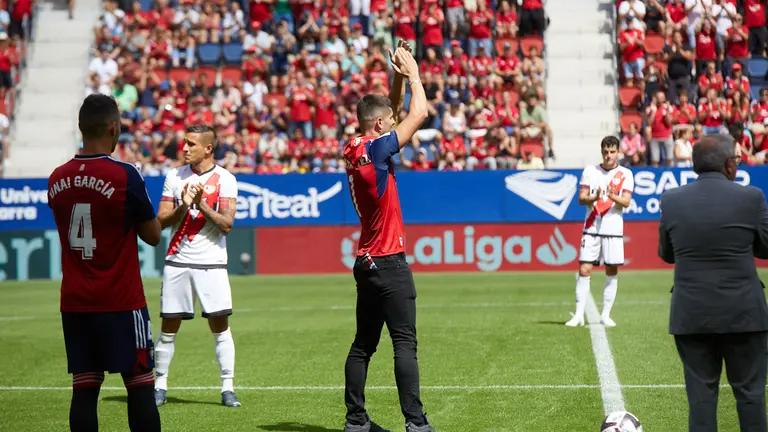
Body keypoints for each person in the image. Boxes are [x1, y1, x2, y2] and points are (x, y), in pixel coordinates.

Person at [47, 94, 162, 432]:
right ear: (113, 128)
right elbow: (152, 236)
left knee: (84, 389)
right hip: (122, 301)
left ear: (81, 127)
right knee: (140, 385)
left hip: (76, 303)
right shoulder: (125, 175)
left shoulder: (57, 178)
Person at [342, 43, 435, 432]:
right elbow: (419, 113)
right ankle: (416, 423)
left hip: (365, 261)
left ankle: (356, 421)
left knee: (363, 345)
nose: (394, 122)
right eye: (389, 122)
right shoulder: (380, 150)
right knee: (404, 344)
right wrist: (413, 75)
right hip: (390, 261)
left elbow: (391, 112)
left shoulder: (354, 147)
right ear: (380, 125)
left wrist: (394, 76)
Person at [658, 134, 768, 432]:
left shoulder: (671, 200)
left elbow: (666, 254)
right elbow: (766, 248)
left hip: (692, 315)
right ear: (729, 164)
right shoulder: (752, 197)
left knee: (701, 401)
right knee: (751, 397)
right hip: (745, 314)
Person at [153, 124, 240, 408]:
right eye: (185, 143)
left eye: (191, 144)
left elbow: (227, 225)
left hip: (211, 263)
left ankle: (227, 388)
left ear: (208, 148)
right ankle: (160, 385)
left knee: (220, 327)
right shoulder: (174, 176)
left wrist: (201, 205)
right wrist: (183, 205)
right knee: (168, 327)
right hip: (177, 261)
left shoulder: (225, 179)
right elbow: (160, 221)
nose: (185, 148)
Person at [565, 136, 634, 328]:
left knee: (611, 269)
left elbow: (626, 202)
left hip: (613, 228)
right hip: (592, 227)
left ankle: (605, 314)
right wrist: (593, 197)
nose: (609, 155)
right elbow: (581, 199)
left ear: (618, 152)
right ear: (601, 152)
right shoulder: (590, 171)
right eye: (606, 152)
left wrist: (611, 195)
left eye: (612, 152)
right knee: (584, 269)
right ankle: (579, 315)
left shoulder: (626, 174)